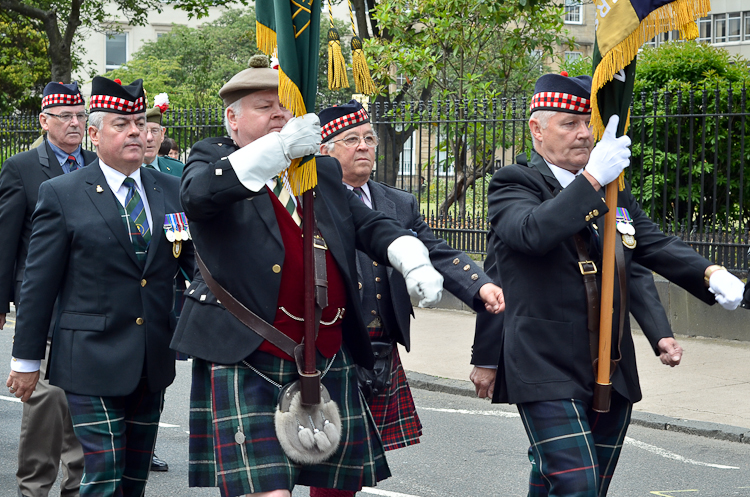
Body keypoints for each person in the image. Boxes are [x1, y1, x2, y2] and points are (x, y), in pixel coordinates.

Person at [170, 54, 444, 497]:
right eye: (265, 106)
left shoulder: (319, 172)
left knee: (337, 491)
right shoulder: (213, 158)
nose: (280, 115)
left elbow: (368, 223)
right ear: (232, 119)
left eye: (286, 107)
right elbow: (199, 196)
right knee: (268, 492)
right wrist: (277, 149)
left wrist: (410, 255)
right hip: (249, 353)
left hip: (326, 351)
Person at [481, 72, 745, 497]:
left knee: (581, 484)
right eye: (570, 124)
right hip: (544, 361)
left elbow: (649, 248)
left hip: (609, 362)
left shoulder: (613, 191)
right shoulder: (515, 183)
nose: (584, 134)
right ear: (537, 129)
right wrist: (591, 183)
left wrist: (711, 274)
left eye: (589, 123)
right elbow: (532, 232)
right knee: (576, 483)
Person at [6, 76, 195, 497]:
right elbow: (39, 282)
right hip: (88, 357)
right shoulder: (62, 193)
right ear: (94, 133)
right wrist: (25, 359)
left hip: (152, 358)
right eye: (120, 124)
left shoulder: (169, 188)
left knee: (132, 480)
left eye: (140, 123)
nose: (136, 132)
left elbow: (192, 264)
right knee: (102, 476)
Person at [311, 100, 503, 497]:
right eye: (351, 140)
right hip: (332, 343)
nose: (364, 146)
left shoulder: (398, 202)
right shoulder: (310, 199)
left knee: (356, 463)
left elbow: (435, 250)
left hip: (381, 342)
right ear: (323, 152)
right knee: (331, 462)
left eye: (369, 138)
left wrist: (478, 285)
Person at [0, 81, 93, 497]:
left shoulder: (96, 163)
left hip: (92, 304)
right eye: (66, 117)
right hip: (45, 305)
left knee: (85, 408)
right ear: (43, 121)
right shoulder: (21, 168)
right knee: (43, 405)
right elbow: (6, 240)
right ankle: (33, 489)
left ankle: (79, 488)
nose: (75, 124)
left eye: (80, 116)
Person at [143, 93, 187, 473]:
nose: (147, 136)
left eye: (154, 129)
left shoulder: (175, 176)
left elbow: (188, 240)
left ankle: (148, 443)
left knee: (157, 376)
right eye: (143, 128)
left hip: (166, 296)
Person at [144, 97, 184, 176]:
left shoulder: (179, 170)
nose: (149, 138)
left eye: (154, 131)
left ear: (162, 134)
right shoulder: (121, 171)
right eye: (144, 131)